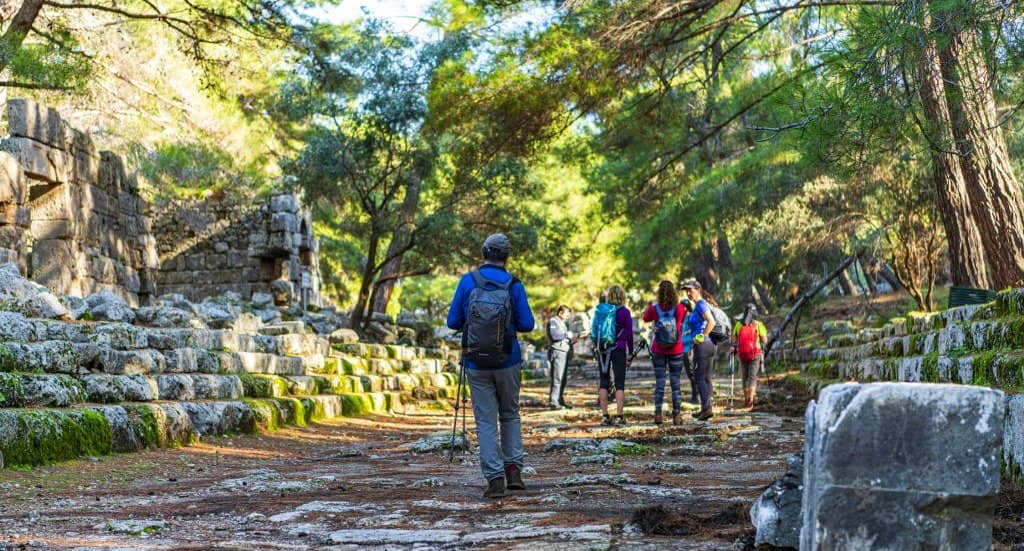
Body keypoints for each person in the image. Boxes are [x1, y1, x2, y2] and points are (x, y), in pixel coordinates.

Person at [446, 233, 535, 499]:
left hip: (475, 362)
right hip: (508, 359)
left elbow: (452, 321)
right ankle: (514, 472)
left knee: (485, 420)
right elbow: (527, 324)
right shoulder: (513, 284)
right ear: (506, 257)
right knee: (509, 414)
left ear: (483, 252)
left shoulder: (467, 282)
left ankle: (495, 479)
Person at [642, 281, 688, 425]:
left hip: (658, 349)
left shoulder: (654, 309)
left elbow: (645, 318)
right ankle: (676, 415)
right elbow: (682, 321)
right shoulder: (680, 308)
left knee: (660, 383)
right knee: (675, 383)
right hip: (676, 349)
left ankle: (658, 415)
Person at [591, 285, 633, 426]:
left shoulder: (601, 311)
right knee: (619, 383)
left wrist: (595, 345)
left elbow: (594, 330)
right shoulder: (625, 312)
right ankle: (619, 416)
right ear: (622, 296)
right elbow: (629, 334)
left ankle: (604, 416)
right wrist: (631, 353)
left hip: (603, 349)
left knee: (604, 382)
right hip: (619, 349)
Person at [681, 278, 716, 420]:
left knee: (699, 378)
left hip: (704, 345)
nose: (688, 293)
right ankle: (706, 408)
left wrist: (702, 336)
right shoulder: (699, 306)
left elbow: (711, 322)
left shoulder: (701, 305)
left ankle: (706, 409)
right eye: (687, 291)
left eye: (691, 290)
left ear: (698, 290)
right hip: (707, 346)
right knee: (706, 378)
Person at [732, 303, 768, 408]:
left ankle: (746, 398)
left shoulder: (739, 325)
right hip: (755, 353)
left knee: (745, 377)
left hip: (742, 353)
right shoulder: (758, 324)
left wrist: (734, 347)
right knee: (752, 376)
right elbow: (765, 340)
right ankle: (751, 400)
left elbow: (734, 341)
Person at [547, 305, 576, 409]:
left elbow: (563, 338)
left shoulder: (563, 324)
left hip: (564, 353)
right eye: (567, 314)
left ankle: (560, 400)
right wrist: (567, 335)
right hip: (557, 353)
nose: (568, 316)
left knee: (563, 379)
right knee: (557, 378)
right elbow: (555, 336)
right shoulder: (553, 321)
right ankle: (554, 402)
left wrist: (572, 340)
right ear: (560, 313)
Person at [680, 296, 699, 404]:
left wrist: (692, 348)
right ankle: (694, 395)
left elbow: (695, 333)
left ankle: (696, 396)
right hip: (684, 349)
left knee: (693, 373)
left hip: (690, 349)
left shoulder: (691, 317)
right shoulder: (682, 319)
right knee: (689, 373)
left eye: (682, 307)